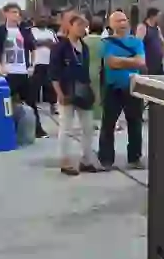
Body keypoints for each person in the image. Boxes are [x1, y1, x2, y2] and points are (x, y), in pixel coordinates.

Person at [51, 11, 102, 176]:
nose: (82, 29)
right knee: (66, 127)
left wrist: (94, 92)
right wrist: (59, 92)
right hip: (66, 90)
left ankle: (86, 159)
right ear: (70, 26)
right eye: (78, 25)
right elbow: (53, 72)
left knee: (88, 127)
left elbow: (86, 71)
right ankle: (64, 161)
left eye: (84, 26)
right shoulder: (60, 47)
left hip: (83, 89)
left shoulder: (84, 47)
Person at [0, 3, 47, 137]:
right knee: (4, 102)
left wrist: (32, 65)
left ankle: (37, 129)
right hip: (8, 72)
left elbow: (33, 49)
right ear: (6, 14)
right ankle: (1, 129)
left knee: (30, 101)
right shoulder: (0, 32)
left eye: (18, 13)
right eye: (13, 12)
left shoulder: (24, 31)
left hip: (23, 71)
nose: (16, 15)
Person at [98, 10, 146, 170]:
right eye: (118, 21)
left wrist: (122, 61)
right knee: (108, 124)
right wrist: (131, 61)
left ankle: (135, 158)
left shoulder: (136, 42)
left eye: (124, 20)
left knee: (135, 124)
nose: (123, 23)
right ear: (111, 25)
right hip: (113, 88)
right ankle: (105, 159)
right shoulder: (106, 42)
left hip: (133, 87)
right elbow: (110, 63)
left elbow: (141, 63)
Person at [30, 15, 58, 115]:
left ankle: (53, 105)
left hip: (49, 62)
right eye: (40, 17)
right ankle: (32, 106)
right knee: (34, 86)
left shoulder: (50, 32)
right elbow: (31, 43)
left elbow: (56, 44)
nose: (42, 19)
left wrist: (42, 43)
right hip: (36, 63)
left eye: (44, 17)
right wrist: (46, 42)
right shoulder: (31, 31)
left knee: (50, 86)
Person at [136, 7, 164, 76]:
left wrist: (163, 54)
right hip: (148, 62)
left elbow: (163, 43)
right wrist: (140, 61)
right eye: (159, 16)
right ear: (153, 16)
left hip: (158, 63)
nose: (160, 18)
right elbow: (137, 44)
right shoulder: (143, 27)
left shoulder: (157, 28)